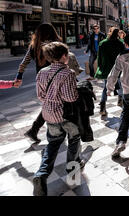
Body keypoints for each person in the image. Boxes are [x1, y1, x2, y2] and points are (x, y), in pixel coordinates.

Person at [32, 42, 82, 196]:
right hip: (67, 116)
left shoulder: (42, 73)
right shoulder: (68, 73)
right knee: (74, 141)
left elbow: (40, 96)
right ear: (64, 56)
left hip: (49, 115)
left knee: (52, 144)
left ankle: (41, 174)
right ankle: (73, 172)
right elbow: (70, 97)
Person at [15, 23, 62, 143]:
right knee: (55, 104)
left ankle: (35, 130)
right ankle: (42, 130)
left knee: (50, 104)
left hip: (41, 80)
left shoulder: (34, 46)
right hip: (55, 79)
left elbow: (23, 63)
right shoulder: (55, 45)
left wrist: (19, 76)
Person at [95, 27, 125, 116]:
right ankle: (120, 101)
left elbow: (99, 57)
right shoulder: (120, 44)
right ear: (118, 34)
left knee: (105, 87)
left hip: (106, 69)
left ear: (109, 32)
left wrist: (100, 67)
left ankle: (102, 107)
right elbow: (124, 57)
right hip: (118, 69)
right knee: (120, 85)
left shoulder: (102, 43)